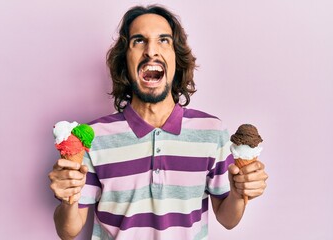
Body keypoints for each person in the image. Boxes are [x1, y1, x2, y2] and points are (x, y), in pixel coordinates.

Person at [48, 5, 268, 240]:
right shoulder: (94, 136)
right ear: (125, 61)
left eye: (164, 40)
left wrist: (237, 194)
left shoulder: (212, 132)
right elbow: (68, 231)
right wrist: (68, 200)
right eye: (139, 41)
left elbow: (227, 219)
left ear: (177, 59)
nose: (151, 50)